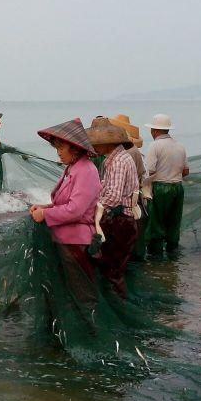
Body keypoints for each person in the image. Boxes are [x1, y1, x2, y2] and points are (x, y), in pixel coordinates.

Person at [30, 118, 101, 310]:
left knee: (82, 293)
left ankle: (89, 332)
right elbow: (63, 203)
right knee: (69, 290)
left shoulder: (86, 170)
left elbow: (76, 210)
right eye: (57, 148)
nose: (58, 152)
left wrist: (46, 215)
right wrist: (44, 207)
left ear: (75, 148)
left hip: (77, 243)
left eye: (61, 148)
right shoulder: (72, 168)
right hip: (65, 240)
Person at [86, 117, 140, 299]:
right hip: (125, 219)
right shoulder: (118, 157)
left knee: (112, 269)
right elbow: (108, 187)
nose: (95, 147)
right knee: (114, 267)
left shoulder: (117, 162)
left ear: (107, 143)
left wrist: (93, 208)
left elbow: (113, 197)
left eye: (97, 143)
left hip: (120, 221)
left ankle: (118, 306)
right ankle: (117, 301)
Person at [142, 114, 189, 255]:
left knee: (156, 223)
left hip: (160, 187)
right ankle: (172, 254)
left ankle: (156, 258)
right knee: (174, 223)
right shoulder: (180, 146)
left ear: (155, 131)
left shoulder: (154, 146)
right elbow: (186, 171)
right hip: (177, 187)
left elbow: (150, 171)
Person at [110, 114, 147, 260]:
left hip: (130, 200)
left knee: (130, 236)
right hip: (136, 197)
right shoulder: (134, 151)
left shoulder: (127, 154)